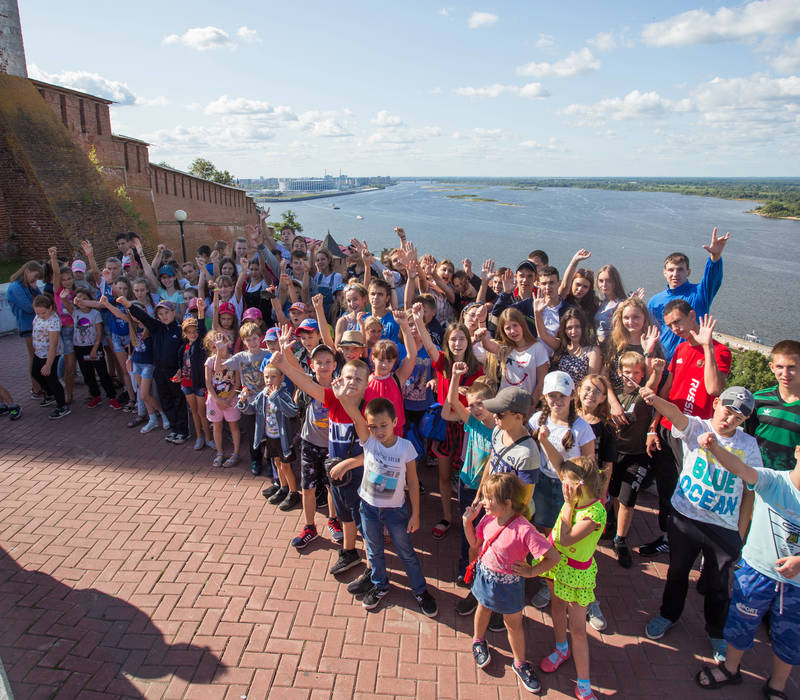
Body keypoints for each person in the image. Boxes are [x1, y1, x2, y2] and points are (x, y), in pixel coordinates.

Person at [640, 384, 761, 664]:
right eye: (727, 411)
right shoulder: (697, 427)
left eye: (738, 418)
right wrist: (655, 398)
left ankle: (716, 632)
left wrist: (740, 535)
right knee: (677, 573)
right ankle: (668, 614)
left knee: (719, 585)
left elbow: (749, 491)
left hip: (723, 529)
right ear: (716, 403)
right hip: (686, 518)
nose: (729, 420)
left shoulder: (748, 446)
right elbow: (676, 414)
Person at [692, 438, 800, 700]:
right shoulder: (773, 481)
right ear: (798, 451)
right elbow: (740, 468)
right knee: (741, 622)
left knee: (789, 637)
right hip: (756, 573)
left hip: (795, 586)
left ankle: (777, 685)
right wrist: (715, 448)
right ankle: (730, 669)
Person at [331, 393, 439, 616]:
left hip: (395, 511)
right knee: (374, 549)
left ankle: (420, 590)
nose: (379, 431)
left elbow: (412, 481)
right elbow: (356, 417)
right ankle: (380, 584)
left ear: (395, 422)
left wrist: (415, 514)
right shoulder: (369, 442)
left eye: (383, 425)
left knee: (405, 552)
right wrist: (343, 398)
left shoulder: (406, 447)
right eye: (373, 427)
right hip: (368, 509)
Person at [641, 304, 731, 557]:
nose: (675, 328)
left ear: (693, 316)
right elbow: (667, 391)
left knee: (693, 489)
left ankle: (695, 543)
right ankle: (669, 537)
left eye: (678, 321)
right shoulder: (679, 349)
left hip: (695, 435)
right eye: (670, 325)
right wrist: (653, 427)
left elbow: (715, 389)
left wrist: (707, 348)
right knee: (668, 488)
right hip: (668, 429)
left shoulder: (719, 351)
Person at [463, 473, 559, 694]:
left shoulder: (524, 529)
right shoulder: (488, 519)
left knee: (513, 624)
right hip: (486, 577)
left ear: (507, 503)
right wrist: (467, 523)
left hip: (510, 585)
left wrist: (532, 571)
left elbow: (553, 557)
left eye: (489, 499)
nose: (483, 503)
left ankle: (520, 663)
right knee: (483, 608)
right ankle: (478, 641)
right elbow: (476, 544)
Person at [537, 457, 607, 700]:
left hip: (576, 573)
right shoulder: (575, 496)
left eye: (565, 480)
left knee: (578, 629)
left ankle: (584, 684)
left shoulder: (595, 513)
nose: (561, 482)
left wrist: (567, 505)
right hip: (556, 564)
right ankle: (560, 648)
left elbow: (566, 539)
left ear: (578, 484)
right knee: (556, 606)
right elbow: (558, 466)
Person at [529, 371, 595, 609]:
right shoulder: (536, 420)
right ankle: (547, 577)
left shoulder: (582, 429)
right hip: (542, 484)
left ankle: (565, 582)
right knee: (547, 532)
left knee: (565, 537)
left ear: (571, 396)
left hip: (571, 491)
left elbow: (589, 465)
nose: (557, 401)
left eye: (562, 396)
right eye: (551, 396)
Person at [289, 344, 343, 549]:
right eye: (319, 362)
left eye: (328, 362)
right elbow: (294, 369)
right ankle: (309, 527)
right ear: (312, 366)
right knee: (308, 488)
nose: (323, 366)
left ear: (335, 365)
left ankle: (333, 520)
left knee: (332, 487)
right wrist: (285, 352)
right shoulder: (308, 384)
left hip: (332, 446)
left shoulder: (339, 387)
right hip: (310, 444)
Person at [647, 227, 729, 360]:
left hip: (693, 357)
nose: (675, 274)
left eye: (680, 270)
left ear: (688, 272)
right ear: (664, 272)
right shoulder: (655, 301)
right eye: (671, 270)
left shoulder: (699, 294)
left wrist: (715, 258)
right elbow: (652, 331)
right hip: (664, 361)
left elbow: (712, 279)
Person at [607, 354, 656, 568]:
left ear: (643, 374)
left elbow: (653, 386)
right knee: (616, 494)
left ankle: (621, 540)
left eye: (636, 373)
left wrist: (652, 357)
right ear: (620, 373)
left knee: (628, 499)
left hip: (636, 455)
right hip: (615, 453)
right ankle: (617, 526)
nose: (631, 377)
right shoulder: (615, 395)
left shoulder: (644, 393)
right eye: (627, 372)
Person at [125, 299, 190, 444]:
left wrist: (181, 370)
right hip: (160, 371)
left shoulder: (180, 330)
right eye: (160, 314)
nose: (164, 316)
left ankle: (183, 431)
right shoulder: (156, 328)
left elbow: (185, 353)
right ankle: (174, 429)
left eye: (167, 313)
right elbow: (143, 317)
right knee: (166, 400)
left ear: (173, 312)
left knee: (178, 401)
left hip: (176, 372)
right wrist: (128, 304)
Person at [251, 362, 300, 510]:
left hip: (283, 439)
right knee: (277, 463)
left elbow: (292, 412)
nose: (269, 380)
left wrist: (275, 398)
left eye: (273, 377)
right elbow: (251, 408)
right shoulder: (263, 395)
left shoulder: (283, 395)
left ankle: (293, 492)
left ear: (281, 378)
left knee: (286, 466)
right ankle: (283, 487)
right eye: (266, 377)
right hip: (270, 436)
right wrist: (242, 402)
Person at [747, 339, 800, 472]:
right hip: (758, 476)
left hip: (793, 484)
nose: (785, 374)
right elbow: (748, 437)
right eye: (780, 367)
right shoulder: (758, 399)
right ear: (771, 367)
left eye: (792, 367)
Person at [7, 260, 44, 396]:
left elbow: (42, 300)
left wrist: (34, 288)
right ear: (27, 272)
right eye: (35, 276)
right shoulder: (15, 287)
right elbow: (29, 307)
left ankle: (41, 385)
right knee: (34, 357)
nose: (35, 280)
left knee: (39, 356)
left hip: (37, 324)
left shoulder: (29, 285)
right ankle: (36, 387)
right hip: (28, 325)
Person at [204, 333, 241, 469]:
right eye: (214, 347)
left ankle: (235, 453)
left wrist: (229, 399)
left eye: (221, 345)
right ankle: (219, 452)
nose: (218, 349)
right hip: (215, 400)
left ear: (228, 343)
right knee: (217, 426)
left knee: (233, 426)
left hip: (231, 399)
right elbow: (208, 384)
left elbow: (237, 383)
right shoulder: (210, 362)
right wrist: (218, 400)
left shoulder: (233, 360)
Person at [30, 295, 69, 419]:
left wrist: (48, 364)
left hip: (50, 355)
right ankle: (50, 394)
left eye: (44, 312)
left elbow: (53, 345)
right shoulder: (38, 316)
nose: (41, 315)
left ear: (50, 308)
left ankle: (62, 406)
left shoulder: (53, 321)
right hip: (39, 353)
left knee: (52, 379)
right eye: (37, 312)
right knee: (35, 373)